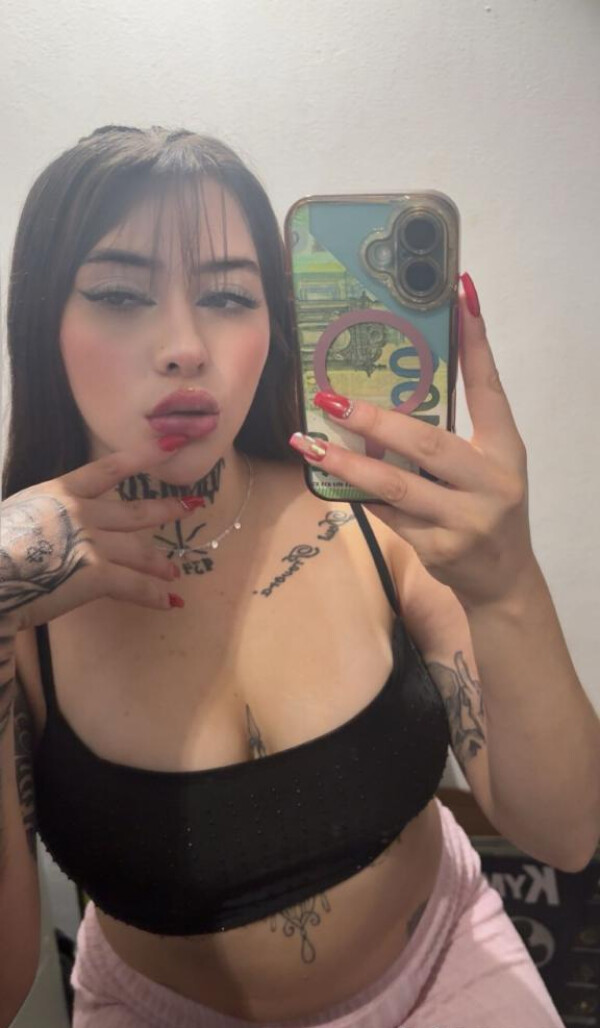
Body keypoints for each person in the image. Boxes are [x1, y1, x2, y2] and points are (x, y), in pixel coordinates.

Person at [0, 125, 593, 1028]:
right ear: (44, 321)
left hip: (447, 964)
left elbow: (567, 833)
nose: (184, 346)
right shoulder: (20, 601)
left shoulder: (374, 516)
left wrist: (507, 583)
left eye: (228, 296)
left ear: (276, 324)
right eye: (120, 294)